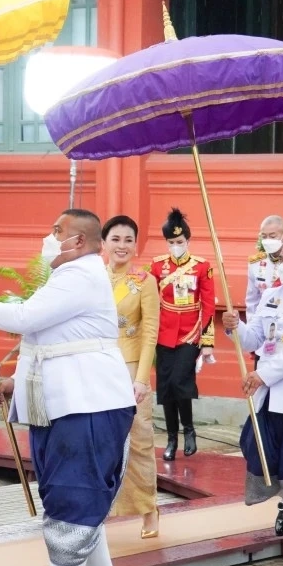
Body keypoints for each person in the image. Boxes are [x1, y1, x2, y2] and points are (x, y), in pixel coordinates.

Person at [0, 208, 135, 566]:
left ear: (77, 241)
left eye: (57, 231)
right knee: (73, 498)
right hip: (64, 405)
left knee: (73, 500)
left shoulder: (80, 275)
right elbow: (47, 343)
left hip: (88, 404)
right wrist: (15, 382)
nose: (49, 236)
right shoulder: (67, 277)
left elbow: (25, 319)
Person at [222, 237, 283, 566]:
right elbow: (255, 340)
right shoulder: (271, 296)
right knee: (262, 456)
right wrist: (235, 327)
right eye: (281, 259)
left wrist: (263, 374)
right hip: (269, 398)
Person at [101, 215, 160, 538]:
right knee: (100, 440)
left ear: (136, 245)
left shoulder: (144, 281)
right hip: (97, 368)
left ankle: (149, 509)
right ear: (103, 243)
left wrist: (141, 378)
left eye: (128, 240)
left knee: (138, 439)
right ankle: (102, 508)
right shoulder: (94, 277)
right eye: (115, 239)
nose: (122, 245)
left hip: (130, 368)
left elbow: (150, 332)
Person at [150, 208, 215, 461]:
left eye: (179, 242)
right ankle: (171, 438)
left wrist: (207, 342)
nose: (175, 246)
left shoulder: (202, 267)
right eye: (171, 242)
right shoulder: (157, 266)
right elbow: (150, 301)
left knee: (180, 382)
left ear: (187, 240)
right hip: (164, 333)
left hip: (190, 333)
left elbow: (208, 305)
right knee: (166, 387)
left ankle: (189, 430)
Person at [246, 216, 283, 320]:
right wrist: (251, 324)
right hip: (263, 319)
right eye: (264, 236)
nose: (268, 240)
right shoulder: (255, 264)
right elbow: (252, 300)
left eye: (272, 236)